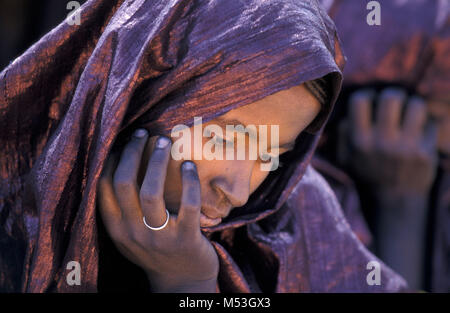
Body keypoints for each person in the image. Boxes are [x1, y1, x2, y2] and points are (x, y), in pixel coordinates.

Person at [0, 0, 407, 292]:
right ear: (143, 97)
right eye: (226, 138)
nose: (241, 191)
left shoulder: (296, 224)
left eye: (272, 155)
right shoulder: (12, 221)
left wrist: (189, 283)